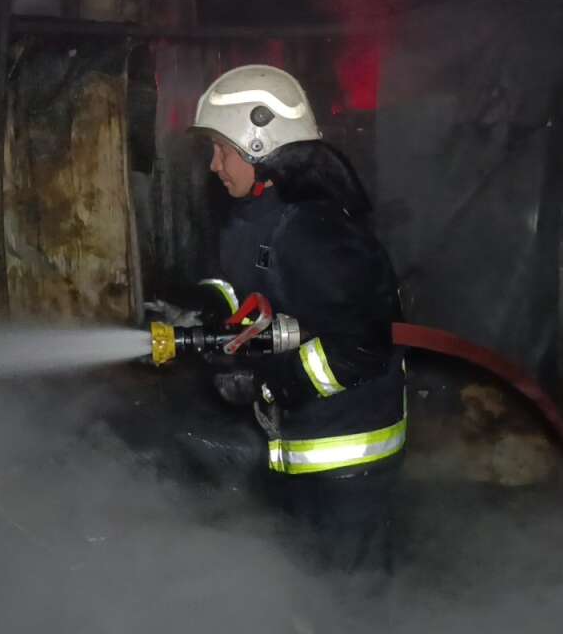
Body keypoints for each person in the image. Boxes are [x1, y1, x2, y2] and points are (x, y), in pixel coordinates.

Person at [152, 64, 406, 579]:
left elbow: (362, 346)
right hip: (298, 449)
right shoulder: (253, 215)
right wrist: (210, 307)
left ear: (260, 143)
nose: (214, 166)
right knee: (305, 594)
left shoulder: (314, 232)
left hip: (348, 459)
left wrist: (269, 382)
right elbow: (242, 290)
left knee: (350, 606)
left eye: (223, 150)